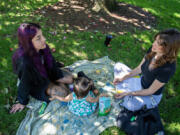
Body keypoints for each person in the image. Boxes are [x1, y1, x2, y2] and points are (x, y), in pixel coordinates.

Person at [10, 23, 73, 113]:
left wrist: (59, 76)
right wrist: (22, 102)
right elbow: (25, 84)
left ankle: (57, 81)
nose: (44, 39)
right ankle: (54, 85)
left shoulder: (43, 47)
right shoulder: (25, 63)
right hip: (37, 84)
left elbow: (51, 64)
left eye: (42, 35)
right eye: (38, 38)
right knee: (62, 92)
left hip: (47, 73)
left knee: (70, 78)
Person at [113, 29, 180, 111]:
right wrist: (122, 78)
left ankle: (129, 96)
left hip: (150, 95)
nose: (153, 44)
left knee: (131, 105)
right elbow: (139, 69)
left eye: (158, 44)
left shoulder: (168, 68)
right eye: (155, 40)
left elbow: (150, 91)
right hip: (140, 82)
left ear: (168, 48)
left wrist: (128, 93)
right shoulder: (153, 50)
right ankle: (128, 93)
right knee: (118, 66)